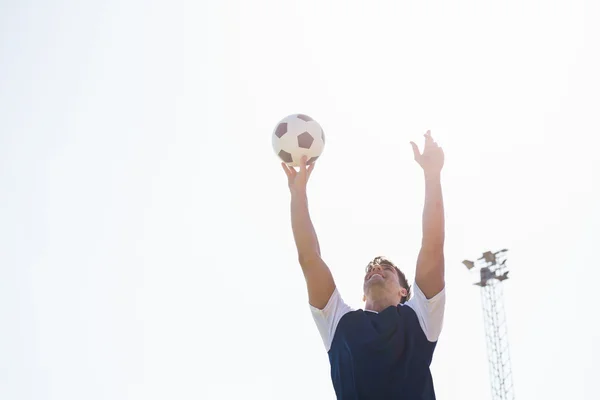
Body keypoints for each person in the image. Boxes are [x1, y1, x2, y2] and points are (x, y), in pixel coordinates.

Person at [281, 130, 446, 399]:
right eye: (370, 270)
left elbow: (432, 246)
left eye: (386, 269)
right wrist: (298, 192)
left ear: (404, 292)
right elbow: (309, 258)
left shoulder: (421, 317)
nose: (376, 270)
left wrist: (432, 175)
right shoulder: (338, 322)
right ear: (362, 293)